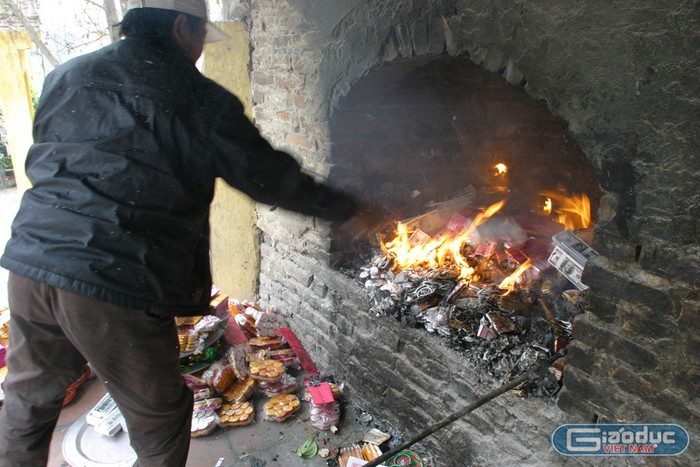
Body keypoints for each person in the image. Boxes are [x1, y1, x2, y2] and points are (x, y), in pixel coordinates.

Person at [0, 1, 378, 465]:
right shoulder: (196, 96)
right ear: (181, 27)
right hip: (115, 276)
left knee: (29, 397)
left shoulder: (70, 75)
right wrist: (349, 210)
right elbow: (267, 176)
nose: (200, 51)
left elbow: (47, 158)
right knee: (159, 419)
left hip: (31, 260)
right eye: (201, 36)